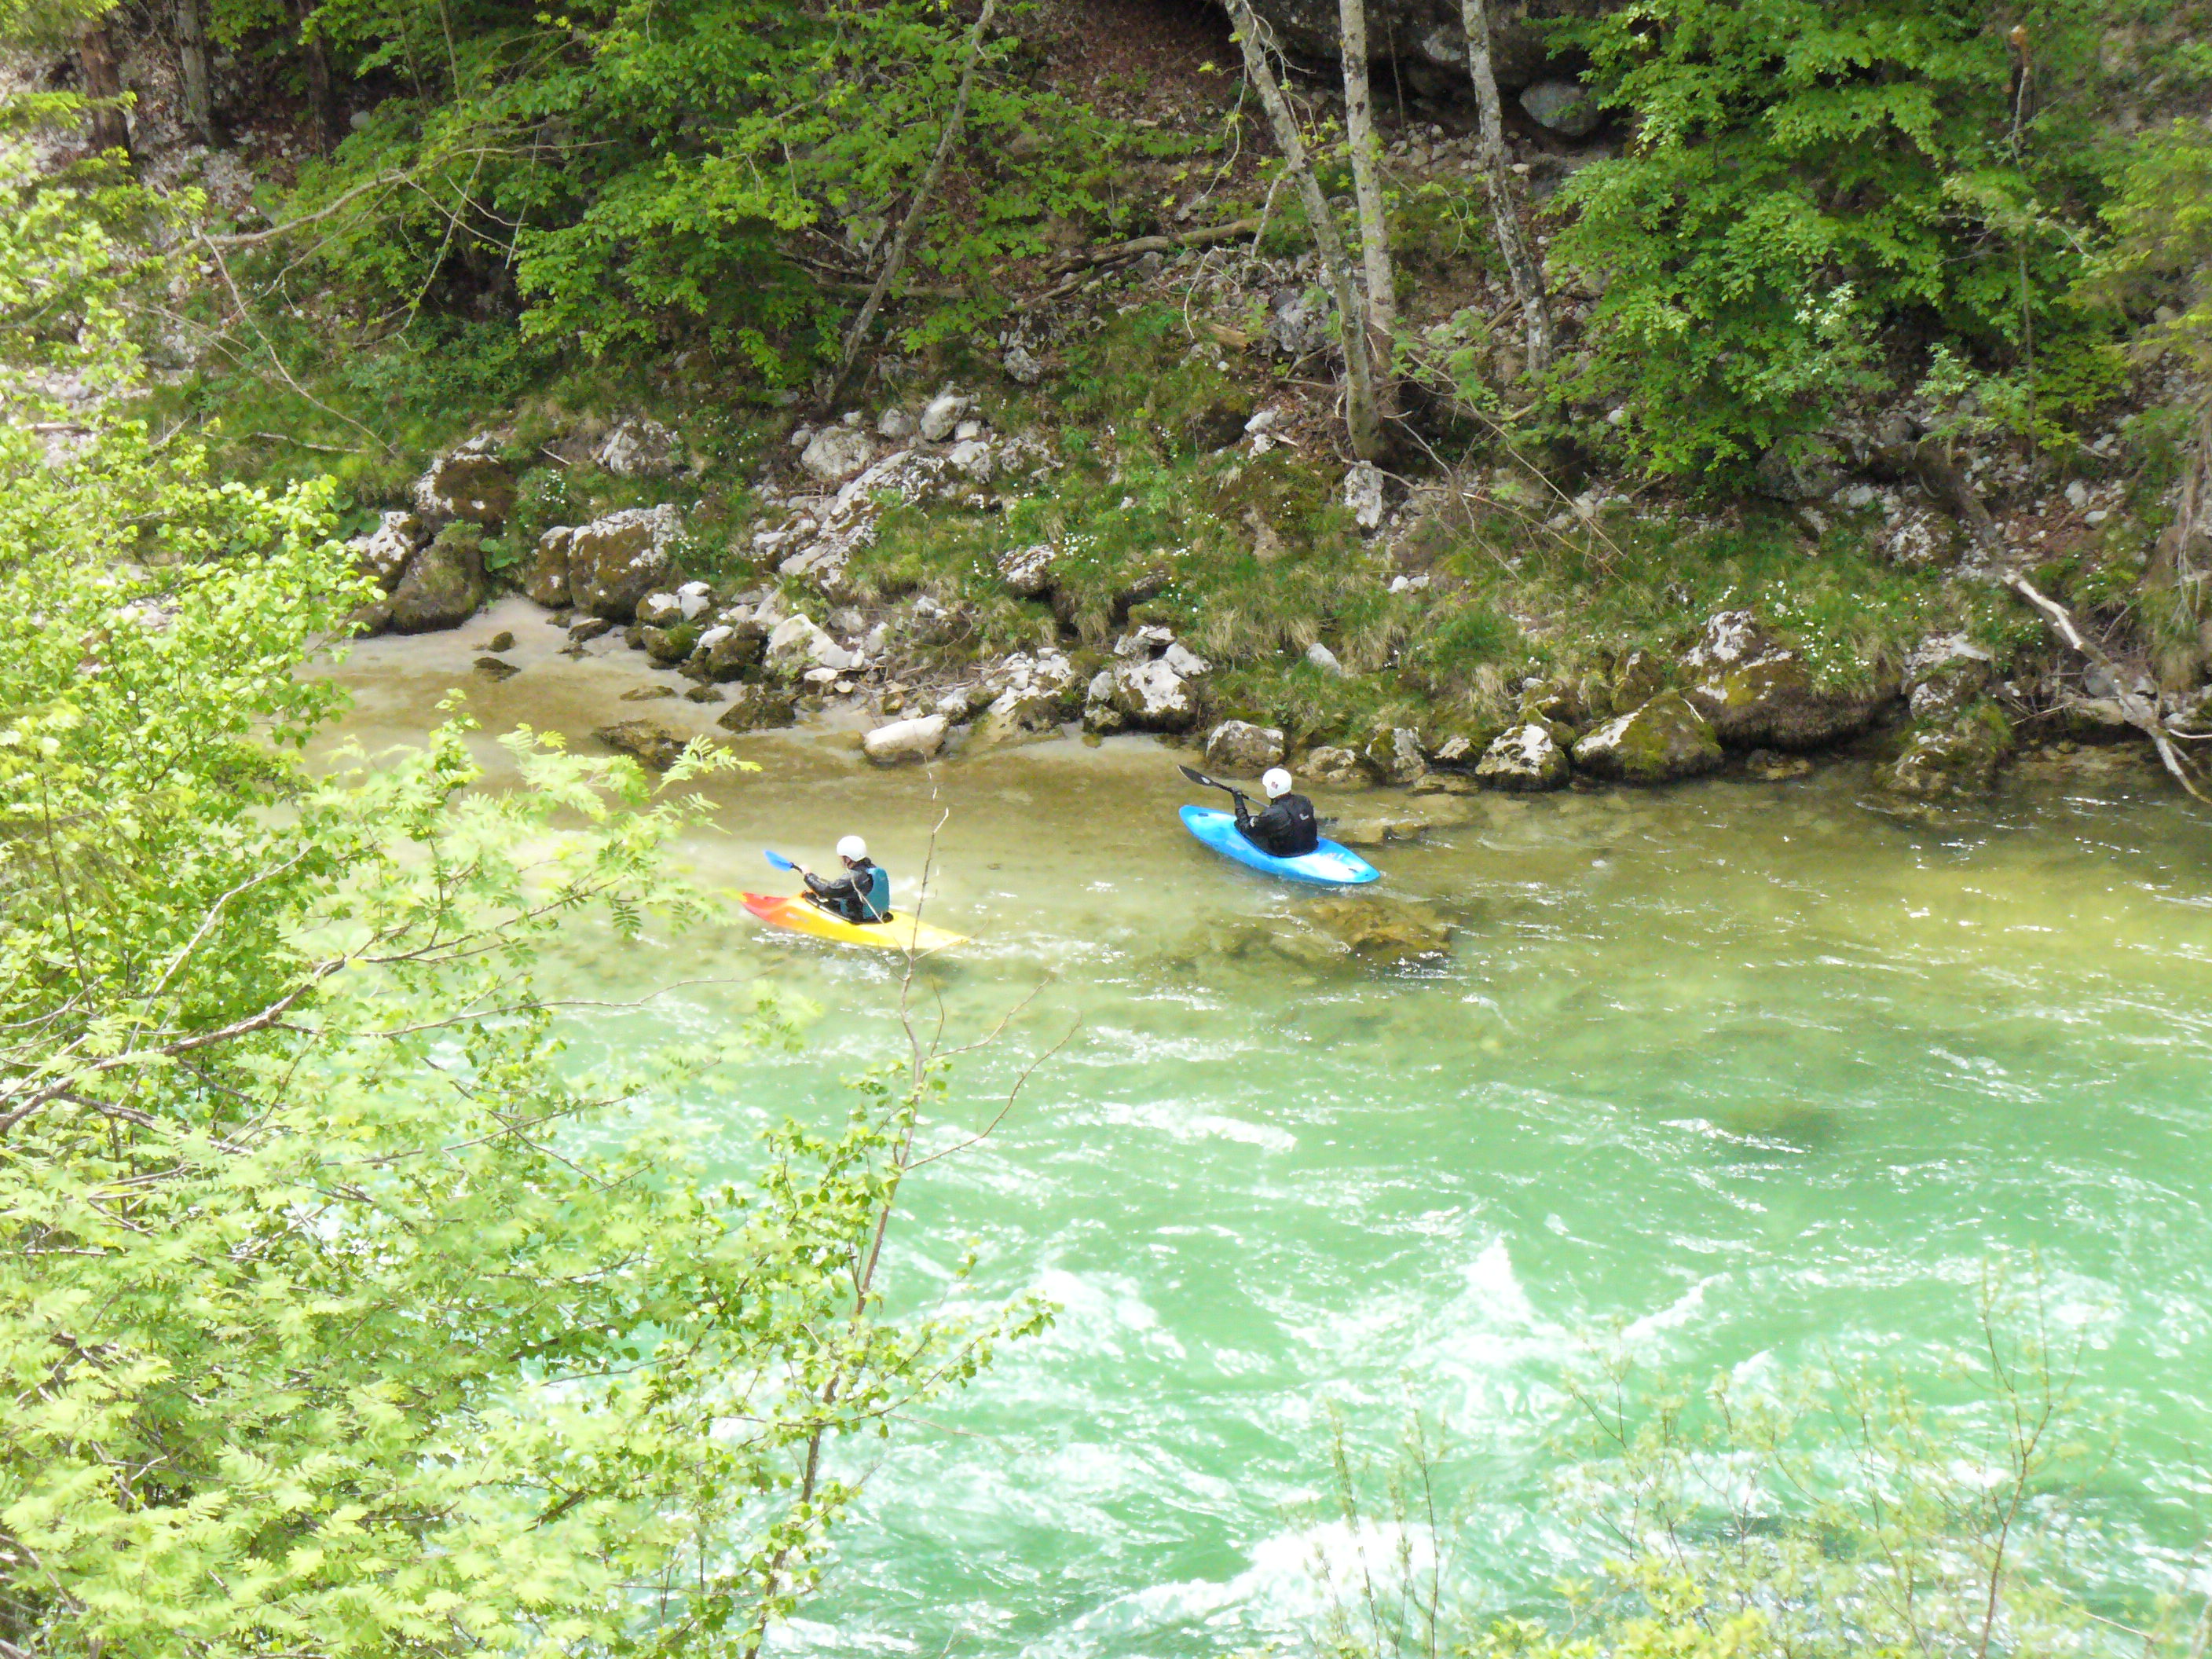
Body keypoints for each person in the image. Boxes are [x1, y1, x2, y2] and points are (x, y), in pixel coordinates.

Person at [800, 835, 892, 924]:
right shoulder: (873, 869)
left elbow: (824, 892)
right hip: (878, 915)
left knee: (813, 899)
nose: (841, 861)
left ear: (848, 859)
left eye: (842, 858)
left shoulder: (853, 877)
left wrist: (808, 875)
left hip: (861, 919)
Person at [1235, 767, 1318, 859]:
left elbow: (1246, 827)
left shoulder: (1272, 813)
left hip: (1287, 853)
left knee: (1239, 824)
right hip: (1311, 846)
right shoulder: (1304, 800)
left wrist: (1238, 801)